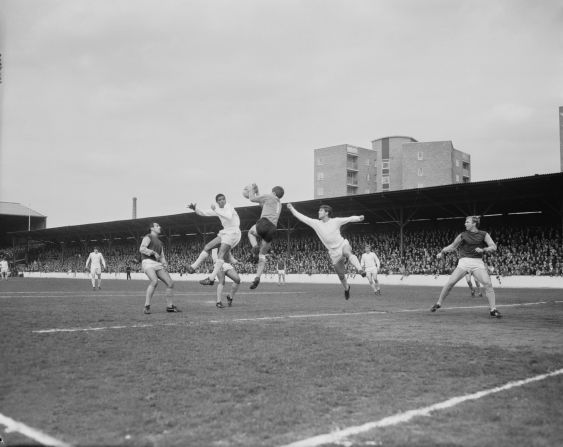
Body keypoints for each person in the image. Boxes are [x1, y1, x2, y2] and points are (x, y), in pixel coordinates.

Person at [286, 203, 366, 300]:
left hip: (342, 245)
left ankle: (360, 269)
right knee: (341, 276)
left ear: (326, 213)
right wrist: (291, 209)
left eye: (321, 211)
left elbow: (348, 218)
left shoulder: (335, 221)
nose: (318, 212)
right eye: (319, 210)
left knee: (347, 253)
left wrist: (359, 218)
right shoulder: (316, 223)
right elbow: (302, 217)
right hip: (334, 253)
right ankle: (347, 288)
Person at [430, 216, 502, 318]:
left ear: (474, 223)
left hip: (477, 263)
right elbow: (453, 246)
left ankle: (493, 310)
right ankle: (439, 303)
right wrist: (442, 251)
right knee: (450, 282)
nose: (465, 224)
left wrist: (483, 249)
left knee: (488, 283)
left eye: (467, 222)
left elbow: (493, 247)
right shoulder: (462, 235)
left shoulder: (484, 234)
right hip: (464, 262)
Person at [187, 194, 241, 287]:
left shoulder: (229, 206)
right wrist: (195, 209)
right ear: (217, 202)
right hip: (226, 231)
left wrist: (216, 210)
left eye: (223, 199)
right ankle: (193, 267)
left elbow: (228, 216)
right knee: (207, 247)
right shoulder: (218, 210)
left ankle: (211, 279)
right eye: (219, 200)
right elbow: (204, 213)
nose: (222, 201)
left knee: (220, 254)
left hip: (234, 232)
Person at [246, 184, 285, 289]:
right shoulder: (279, 204)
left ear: (273, 193)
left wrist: (250, 190)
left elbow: (252, 199)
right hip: (272, 229)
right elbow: (262, 205)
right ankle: (257, 278)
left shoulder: (269, 196)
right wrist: (258, 191)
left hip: (264, 222)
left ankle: (254, 247)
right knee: (262, 255)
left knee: (250, 233)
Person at [139, 222, 181, 314]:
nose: (159, 227)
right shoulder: (148, 237)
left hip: (157, 264)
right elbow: (142, 248)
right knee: (154, 281)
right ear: (152, 228)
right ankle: (147, 306)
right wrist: (153, 252)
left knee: (170, 283)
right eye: (157, 226)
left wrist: (164, 264)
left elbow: (162, 256)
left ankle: (169, 307)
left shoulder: (160, 242)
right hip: (147, 262)